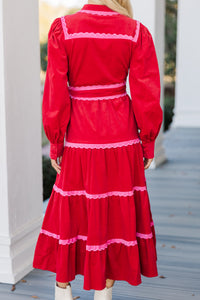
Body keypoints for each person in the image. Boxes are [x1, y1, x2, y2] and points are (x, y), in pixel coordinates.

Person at [33, 0, 163, 299]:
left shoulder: (63, 29)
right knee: (114, 212)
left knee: (73, 207)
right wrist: (148, 141)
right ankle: (103, 293)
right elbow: (146, 91)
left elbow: (55, 89)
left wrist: (55, 140)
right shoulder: (135, 32)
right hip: (121, 135)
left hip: (79, 135)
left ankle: (62, 290)